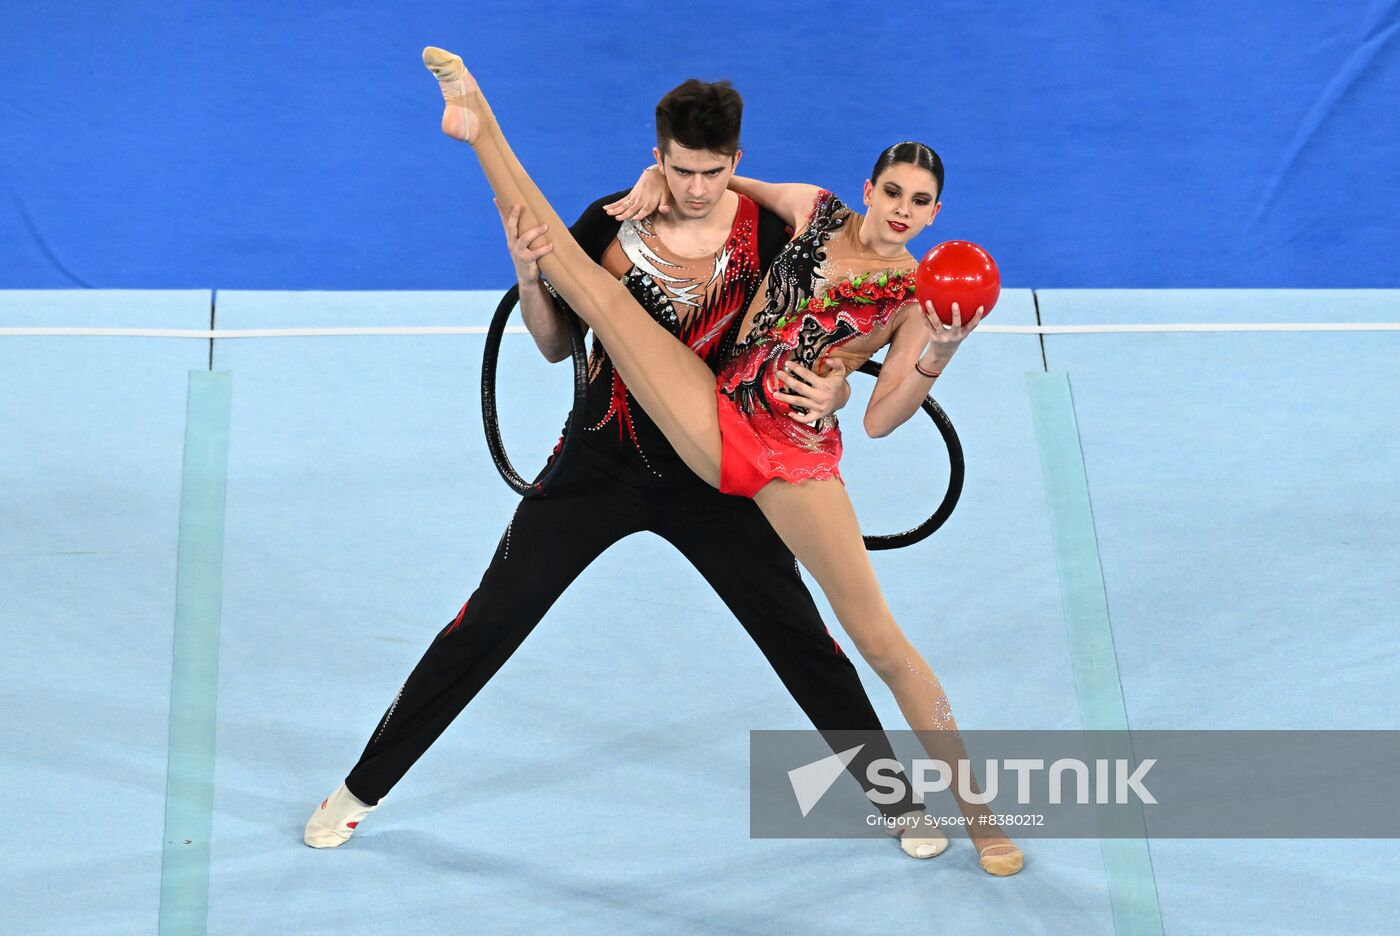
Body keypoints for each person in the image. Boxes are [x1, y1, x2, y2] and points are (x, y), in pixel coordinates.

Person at [415, 45, 1024, 876]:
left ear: (934, 210)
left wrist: (940, 350)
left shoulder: (917, 295)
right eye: (892, 191)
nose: (902, 210)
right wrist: (653, 177)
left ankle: (983, 819)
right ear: (869, 186)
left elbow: (884, 419)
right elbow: (718, 183)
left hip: (791, 459)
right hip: (714, 406)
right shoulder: (813, 210)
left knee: (877, 641)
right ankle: (479, 126)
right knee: (594, 293)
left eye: (921, 203)